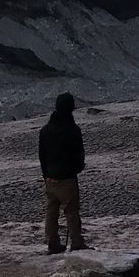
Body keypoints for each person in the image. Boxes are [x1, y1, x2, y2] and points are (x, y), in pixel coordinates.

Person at [39, 91, 87, 254]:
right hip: (67, 177)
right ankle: (76, 242)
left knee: (51, 211)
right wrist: (77, 168)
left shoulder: (45, 130)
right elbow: (78, 154)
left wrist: (46, 174)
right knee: (71, 211)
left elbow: (42, 155)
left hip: (50, 177)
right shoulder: (73, 130)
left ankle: (52, 243)